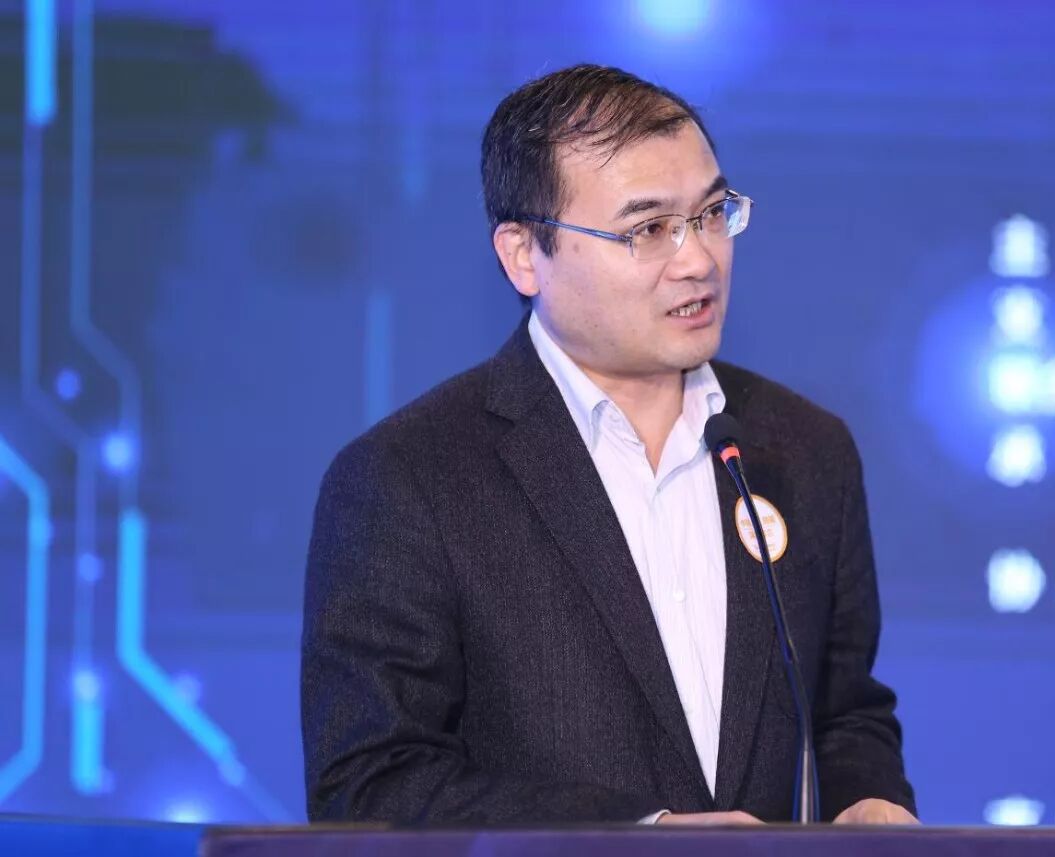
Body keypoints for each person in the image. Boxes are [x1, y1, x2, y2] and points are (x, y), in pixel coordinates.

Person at [302, 64, 917, 826]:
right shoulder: (407, 478)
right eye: (648, 229)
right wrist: (640, 837)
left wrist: (869, 800)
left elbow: (844, 710)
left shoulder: (806, 450)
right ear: (524, 254)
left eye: (712, 213)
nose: (698, 259)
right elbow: (372, 785)